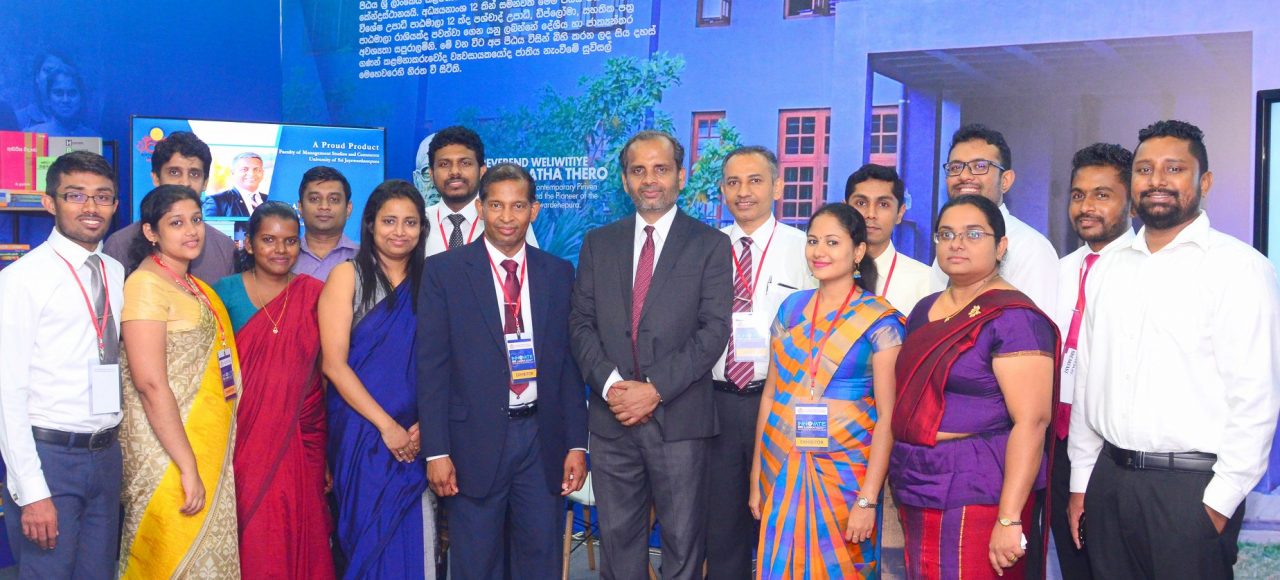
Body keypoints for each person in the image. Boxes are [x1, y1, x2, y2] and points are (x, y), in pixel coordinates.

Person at [1067, 120, 1280, 579]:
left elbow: (1256, 399)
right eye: (1144, 169)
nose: (1157, 180)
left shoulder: (1239, 269)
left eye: (1174, 168)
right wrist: (1082, 481)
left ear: (1205, 182)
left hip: (1191, 491)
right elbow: (1087, 382)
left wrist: (1219, 503)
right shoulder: (1108, 270)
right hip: (1109, 481)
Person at [569, 130, 733, 579]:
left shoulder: (710, 244)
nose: (650, 180)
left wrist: (654, 390)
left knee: (682, 544)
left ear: (681, 176)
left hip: (680, 420)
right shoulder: (599, 242)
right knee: (618, 546)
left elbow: (713, 331)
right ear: (624, 180)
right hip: (612, 419)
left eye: (661, 169)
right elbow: (580, 323)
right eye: (638, 170)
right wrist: (612, 387)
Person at [418, 163, 588, 578]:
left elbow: (568, 366)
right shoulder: (444, 272)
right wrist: (437, 451)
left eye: (518, 206)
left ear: (534, 210)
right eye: (496, 205)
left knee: (540, 559)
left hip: (541, 439)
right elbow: (432, 367)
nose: (507, 217)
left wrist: (576, 444)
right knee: (476, 562)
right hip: (472, 441)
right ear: (480, 209)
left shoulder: (557, 272)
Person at [891, 194, 1058, 579]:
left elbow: (1032, 422)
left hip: (979, 484)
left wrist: (1009, 518)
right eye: (946, 234)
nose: (957, 243)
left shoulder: (1014, 317)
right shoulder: (924, 310)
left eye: (973, 234)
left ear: (1001, 246)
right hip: (917, 478)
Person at [749, 203, 904, 579]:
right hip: (781, 465)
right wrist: (756, 475)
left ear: (858, 251)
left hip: (847, 477)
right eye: (813, 241)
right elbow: (770, 395)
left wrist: (868, 499)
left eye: (832, 242)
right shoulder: (791, 310)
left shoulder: (879, 321)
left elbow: (889, 416)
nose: (819, 251)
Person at [0, 151, 123, 578]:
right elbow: (7, 393)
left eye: (102, 196)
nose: (91, 207)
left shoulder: (114, 271)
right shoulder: (20, 280)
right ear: (50, 202)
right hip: (50, 459)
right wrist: (32, 491)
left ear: (114, 205)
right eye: (76, 195)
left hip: (106, 456)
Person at [117, 185, 241, 578]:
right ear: (151, 232)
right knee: (168, 551)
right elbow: (150, 384)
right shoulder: (145, 284)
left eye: (196, 220)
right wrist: (187, 465)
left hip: (201, 441)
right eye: (176, 223)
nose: (191, 230)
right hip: (166, 450)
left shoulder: (192, 285)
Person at [704, 145, 813, 579]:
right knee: (721, 529)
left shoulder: (804, 249)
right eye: (733, 182)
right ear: (722, 191)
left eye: (754, 181)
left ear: (777, 187)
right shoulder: (706, 247)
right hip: (716, 403)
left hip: (780, 403)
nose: (743, 192)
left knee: (783, 523)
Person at [212, 202, 334, 579]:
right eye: (268, 240)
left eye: (290, 241)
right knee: (252, 535)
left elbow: (325, 371)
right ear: (248, 244)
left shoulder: (315, 294)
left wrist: (329, 451)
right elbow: (210, 373)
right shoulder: (223, 294)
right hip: (241, 437)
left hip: (302, 435)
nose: (280, 250)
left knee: (302, 528)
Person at [319, 179, 433, 578]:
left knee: (414, 531)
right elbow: (334, 365)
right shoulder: (347, 276)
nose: (399, 231)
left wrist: (426, 425)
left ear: (422, 229)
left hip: (417, 434)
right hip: (361, 431)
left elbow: (445, 362)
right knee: (365, 535)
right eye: (389, 221)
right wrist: (387, 427)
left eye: (410, 222)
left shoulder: (433, 281)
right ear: (370, 224)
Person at [1047, 143, 1135, 580]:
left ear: (1132, 201)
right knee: (1075, 564)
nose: (1086, 207)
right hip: (1057, 444)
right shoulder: (1059, 271)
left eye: (1102, 195)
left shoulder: (1144, 273)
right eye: (1078, 195)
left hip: (1116, 452)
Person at [930, 125, 1058, 311]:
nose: (964, 176)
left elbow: (1033, 326)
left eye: (980, 166)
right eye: (955, 167)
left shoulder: (1030, 248)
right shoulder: (948, 245)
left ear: (1005, 181)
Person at [104, 130, 237, 281]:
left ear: (205, 182)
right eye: (174, 172)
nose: (185, 183)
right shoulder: (120, 245)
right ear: (156, 178)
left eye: (194, 174)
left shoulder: (224, 248)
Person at [423, 126, 537, 256]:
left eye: (465, 163)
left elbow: (530, 265)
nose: (454, 172)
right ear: (431, 173)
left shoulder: (507, 222)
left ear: (482, 171)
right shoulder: (419, 221)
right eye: (444, 164)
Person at [846, 163, 932, 315]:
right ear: (844, 210)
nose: (871, 214)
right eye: (861, 203)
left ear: (900, 213)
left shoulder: (926, 283)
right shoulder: (823, 272)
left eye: (883, 204)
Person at [294, 166, 359, 280]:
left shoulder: (366, 258)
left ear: (348, 209)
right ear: (300, 207)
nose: (324, 206)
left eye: (334, 199)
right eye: (314, 199)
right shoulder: (282, 258)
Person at [24, 66, 97, 137]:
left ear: (81, 99)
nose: (65, 100)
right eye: (59, 93)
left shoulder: (93, 138)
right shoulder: (31, 136)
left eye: (72, 93)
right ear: (48, 99)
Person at [203, 152, 268, 217]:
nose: (251, 174)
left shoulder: (269, 199)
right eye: (244, 169)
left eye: (257, 169)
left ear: (263, 172)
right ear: (233, 173)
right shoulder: (217, 201)